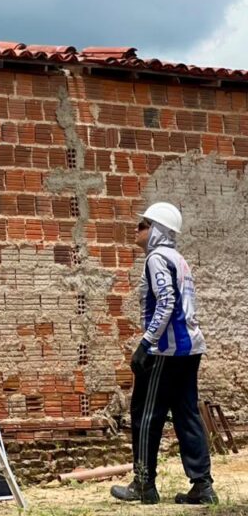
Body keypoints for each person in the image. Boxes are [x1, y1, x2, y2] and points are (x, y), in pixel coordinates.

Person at [110, 202, 217, 506]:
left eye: (143, 225)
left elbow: (166, 301)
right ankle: (202, 485)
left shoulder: (156, 258)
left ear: (157, 231)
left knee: (145, 414)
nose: (137, 230)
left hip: (166, 351)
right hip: (190, 348)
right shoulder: (179, 259)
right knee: (187, 415)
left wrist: (146, 344)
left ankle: (143, 483)